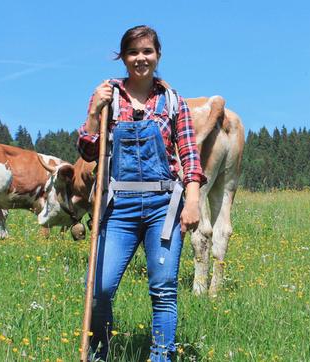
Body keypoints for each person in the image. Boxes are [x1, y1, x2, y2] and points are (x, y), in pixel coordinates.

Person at [76, 25, 206, 361]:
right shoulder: (108, 96)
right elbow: (89, 152)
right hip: (119, 206)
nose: (140, 59)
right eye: (133, 52)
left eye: (147, 51)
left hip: (163, 206)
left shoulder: (172, 101)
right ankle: (100, 350)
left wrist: (192, 202)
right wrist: (93, 115)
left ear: (158, 55)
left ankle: (161, 356)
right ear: (123, 57)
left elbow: (190, 157)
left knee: (163, 290)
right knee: (101, 288)